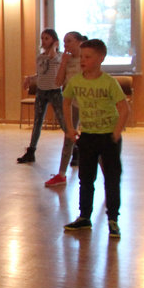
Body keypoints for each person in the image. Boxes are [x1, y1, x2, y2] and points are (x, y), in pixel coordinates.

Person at [62, 39, 127, 238]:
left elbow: (124, 108)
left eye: (88, 57)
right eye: (82, 57)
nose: (83, 60)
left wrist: (116, 132)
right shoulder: (76, 81)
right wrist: (70, 128)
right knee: (86, 179)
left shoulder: (109, 82)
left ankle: (113, 219)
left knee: (112, 179)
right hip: (88, 136)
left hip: (108, 137)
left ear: (101, 59)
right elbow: (66, 102)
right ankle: (84, 217)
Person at [18, 29, 65, 165]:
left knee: (63, 121)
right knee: (37, 122)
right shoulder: (40, 57)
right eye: (42, 38)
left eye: (47, 38)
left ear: (54, 41)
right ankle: (31, 151)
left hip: (55, 92)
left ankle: (75, 149)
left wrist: (54, 47)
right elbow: (41, 73)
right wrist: (30, 78)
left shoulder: (60, 56)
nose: (43, 41)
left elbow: (53, 59)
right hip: (41, 92)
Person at [46, 30, 87, 186]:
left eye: (69, 41)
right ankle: (61, 174)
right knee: (68, 137)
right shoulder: (67, 60)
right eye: (64, 42)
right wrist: (63, 62)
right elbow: (58, 82)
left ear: (79, 42)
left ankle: (105, 177)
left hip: (88, 103)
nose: (65, 45)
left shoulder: (86, 58)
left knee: (93, 140)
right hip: (72, 104)